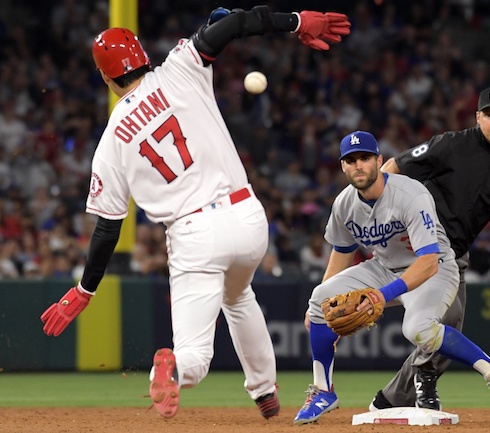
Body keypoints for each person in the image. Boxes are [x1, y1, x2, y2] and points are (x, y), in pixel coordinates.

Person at [39, 6, 351, 420]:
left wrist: (85, 289)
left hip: (194, 235)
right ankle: (264, 392)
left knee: (195, 354)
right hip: (247, 218)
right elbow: (233, 24)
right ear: (143, 57)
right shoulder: (179, 67)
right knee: (239, 296)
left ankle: (173, 368)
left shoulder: (112, 140)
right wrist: (293, 20)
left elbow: (107, 229)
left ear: (106, 77)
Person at [293, 130, 490, 425]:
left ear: (379, 161)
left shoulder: (410, 194)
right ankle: (323, 391)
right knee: (318, 298)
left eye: (364, 158)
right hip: (385, 266)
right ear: (343, 166)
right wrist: (325, 306)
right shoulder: (344, 204)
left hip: (433, 267)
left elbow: (427, 262)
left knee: (417, 329)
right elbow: (341, 251)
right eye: (351, 160)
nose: (358, 165)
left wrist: (383, 294)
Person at [369, 85, 490, 412]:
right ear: (478, 117)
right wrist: (373, 202)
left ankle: (392, 399)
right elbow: (395, 166)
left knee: (450, 326)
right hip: (416, 242)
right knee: (428, 320)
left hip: (454, 254)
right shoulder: (451, 144)